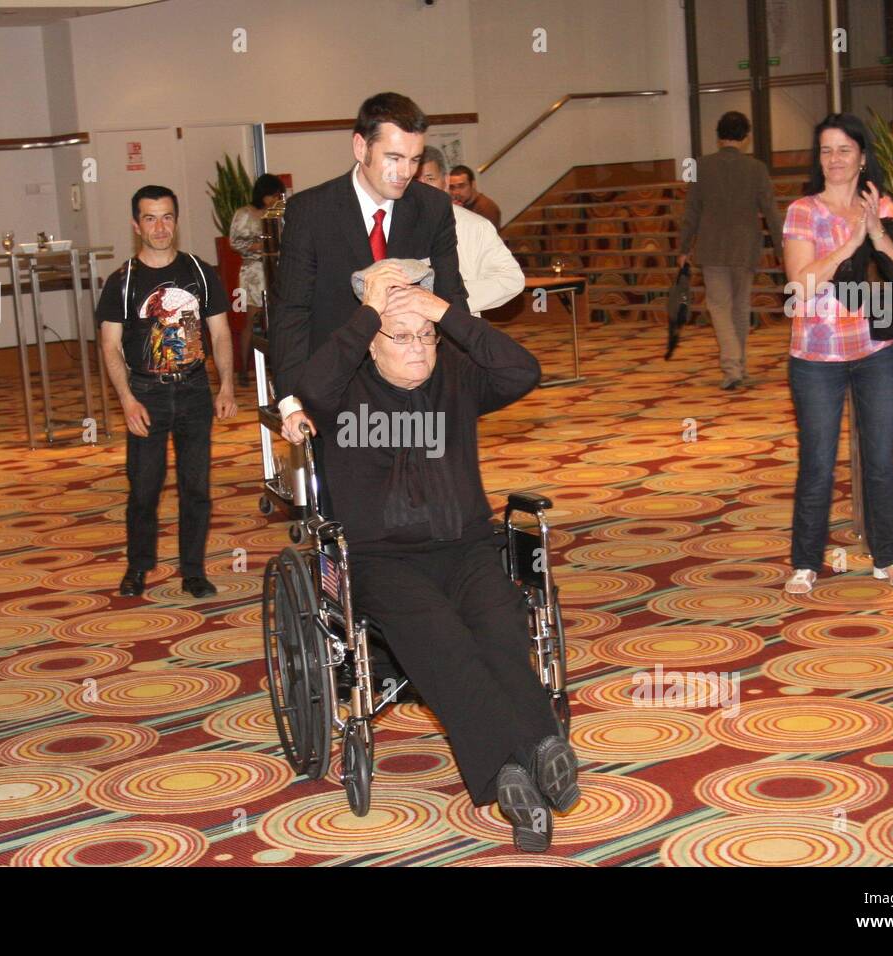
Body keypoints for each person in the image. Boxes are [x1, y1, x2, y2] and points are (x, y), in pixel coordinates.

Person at [296, 269, 578, 852]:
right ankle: (521, 759)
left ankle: (522, 766)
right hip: (384, 561)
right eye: (402, 336)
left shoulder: (456, 378)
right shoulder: (343, 391)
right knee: (444, 640)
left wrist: (445, 312)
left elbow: (523, 370)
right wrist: (369, 314)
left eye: (426, 336)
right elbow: (309, 380)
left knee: (500, 627)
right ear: (372, 340)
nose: (419, 348)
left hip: (467, 547)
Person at [271, 91, 467, 445]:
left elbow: (452, 296)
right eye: (393, 157)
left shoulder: (433, 207)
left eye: (414, 159)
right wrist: (290, 401)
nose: (405, 172)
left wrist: (462, 377)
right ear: (361, 148)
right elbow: (291, 312)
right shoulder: (311, 212)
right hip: (337, 391)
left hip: (413, 388)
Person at [781, 114, 893, 595]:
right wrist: (850, 242)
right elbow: (800, 284)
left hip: (878, 350)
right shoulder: (802, 210)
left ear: (862, 155)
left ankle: (889, 557)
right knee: (817, 460)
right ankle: (805, 561)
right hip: (816, 356)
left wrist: (878, 231)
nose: (834, 160)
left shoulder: (882, 204)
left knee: (880, 458)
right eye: (825, 150)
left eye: (843, 150)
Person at [96, 185, 238, 599]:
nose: (160, 227)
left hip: (194, 391)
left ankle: (193, 570)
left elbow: (220, 333)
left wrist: (225, 384)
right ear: (136, 225)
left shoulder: (199, 271)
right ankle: (138, 567)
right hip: (146, 393)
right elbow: (109, 346)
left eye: (167, 217)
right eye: (150, 218)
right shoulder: (122, 282)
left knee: (196, 488)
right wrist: (127, 399)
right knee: (144, 489)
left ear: (176, 219)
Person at [677, 111, 784, 388]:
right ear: (746, 137)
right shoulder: (757, 168)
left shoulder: (699, 166)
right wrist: (783, 249)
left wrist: (683, 247)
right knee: (740, 306)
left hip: (712, 248)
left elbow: (691, 213)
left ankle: (732, 366)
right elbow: (771, 212)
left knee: (719, 307)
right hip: (745, 247)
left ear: (718, 136)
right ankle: (738, 365)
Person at [417, 146, 524, 315]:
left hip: (459, 327)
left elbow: (511, 279)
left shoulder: (474, 226)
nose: (422, 187)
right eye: (414, 180)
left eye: (430, 178)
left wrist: (450, 299)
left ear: (445, 182)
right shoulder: (386, 224)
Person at [229, 173, 286, 386]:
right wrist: (261, 246)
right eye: (273, 195)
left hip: (274, 270)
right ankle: (243, 368)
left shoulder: (276, 215)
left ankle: (274, 367)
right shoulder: (245, 213)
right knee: (251, 321)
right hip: (252, 273)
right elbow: (235, 242)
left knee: (274, 320)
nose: (276, 199)